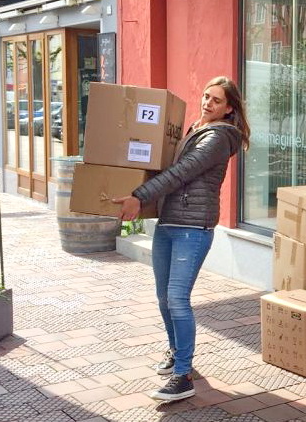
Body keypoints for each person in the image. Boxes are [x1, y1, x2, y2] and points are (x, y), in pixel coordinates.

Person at [113, 76, 250, 402]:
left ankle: (184, 376)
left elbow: (181, 172)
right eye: (206, 96)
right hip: (169, 222)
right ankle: (177, 354)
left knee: (177, 298)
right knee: (164, 298)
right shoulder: (196, 129)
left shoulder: (218, 137)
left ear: (229, 109)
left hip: (193, 228)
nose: (207, 103)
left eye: (216, 100)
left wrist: (138, 196)